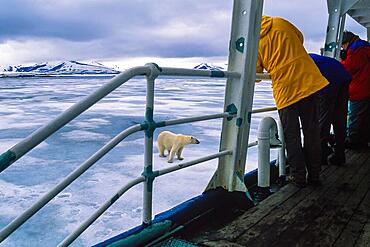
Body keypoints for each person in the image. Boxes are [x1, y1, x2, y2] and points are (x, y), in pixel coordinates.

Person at [256, 16, 329, 188]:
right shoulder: (280, 22)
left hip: (286, 89)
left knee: (292, 136)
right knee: (312, 132)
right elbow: (300, 37)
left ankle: (298, 177)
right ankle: (315, 175)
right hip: (308, 80)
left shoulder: (254, 41)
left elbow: (256, 75)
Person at [309, 53, 351, 166]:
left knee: (323, 118)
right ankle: (339, 154)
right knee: (339, 117)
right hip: (342, 75)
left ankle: (322, 155)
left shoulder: (300, 63)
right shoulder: (308, 57)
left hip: (328, 78)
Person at [340, 31, 370, 150]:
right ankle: (363, 141)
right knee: (365, 117)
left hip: (359, 90)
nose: (342, 48)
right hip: (366, 88)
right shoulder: (365, 46)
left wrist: (341, 61)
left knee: (355, 117)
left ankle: (353, 141)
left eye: (342, 46)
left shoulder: (355, 51)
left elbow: (347, 69)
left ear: (347, 43)